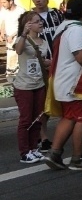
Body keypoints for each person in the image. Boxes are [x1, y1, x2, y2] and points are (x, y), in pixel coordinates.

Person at [43, 0, 82, 171]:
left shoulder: (63, 27)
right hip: (77, 83)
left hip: (62, 81)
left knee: (69, 117)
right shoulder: (77, 30)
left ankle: (55, 153)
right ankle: (77, 158)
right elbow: (81, 57)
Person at [12, 11, 50, 163]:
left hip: (39, 84)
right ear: (28, 24)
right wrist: (23, 33)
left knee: (37, 119)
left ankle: (34, 148)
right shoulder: (22, 40)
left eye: (40, 20)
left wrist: (48, 62)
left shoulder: (44, 41)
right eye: (36, 21)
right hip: (24, 86)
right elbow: (18, 50)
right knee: (26, 120)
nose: (40, 23)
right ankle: (24, 152)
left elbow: (42, 61)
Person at [32, 0, 63, 153]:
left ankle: (63, 134)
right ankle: (43, 137)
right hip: (41, 67)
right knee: (43, 103)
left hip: (60, 63)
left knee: (61, 99)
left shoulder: (57, 15)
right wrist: (41, 60)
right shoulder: (29, 17)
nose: (38, 0)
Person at [1, 0, 26, 76]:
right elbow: (3, 22)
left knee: (16, 56)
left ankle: (16, 74)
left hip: (18, 38)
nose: (3, 4)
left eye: (4, 2)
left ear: (11, 2)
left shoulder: (21, 10)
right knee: (10, 55)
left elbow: (23, 26)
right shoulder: (4, 11)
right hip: (8, 38)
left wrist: (13, 35)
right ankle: (10, 73)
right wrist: (2, 32)